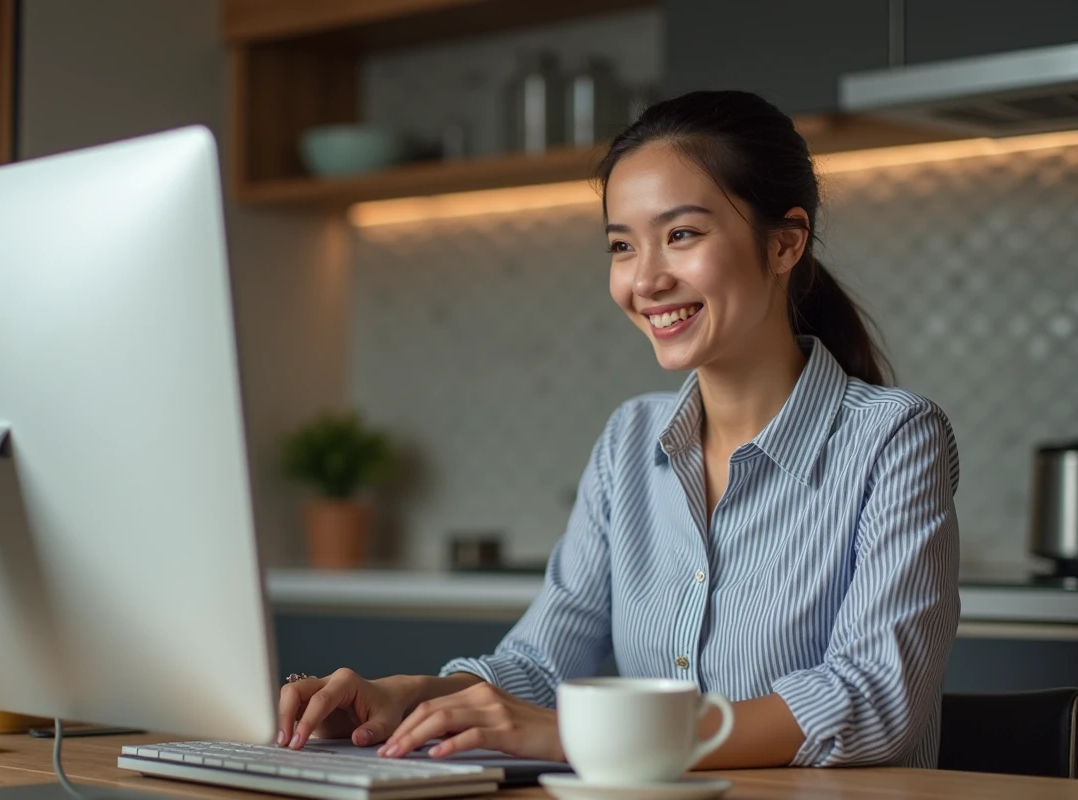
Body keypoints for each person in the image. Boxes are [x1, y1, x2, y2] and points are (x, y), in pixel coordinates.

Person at [275, 90, 961, 770]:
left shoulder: (895, 438)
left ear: (784, 244)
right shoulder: (629, 441)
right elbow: (540, 665)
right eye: (623, 246)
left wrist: (588, 736)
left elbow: (872, 700)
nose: (646, 279)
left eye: (681, 235)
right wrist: (408, 696)